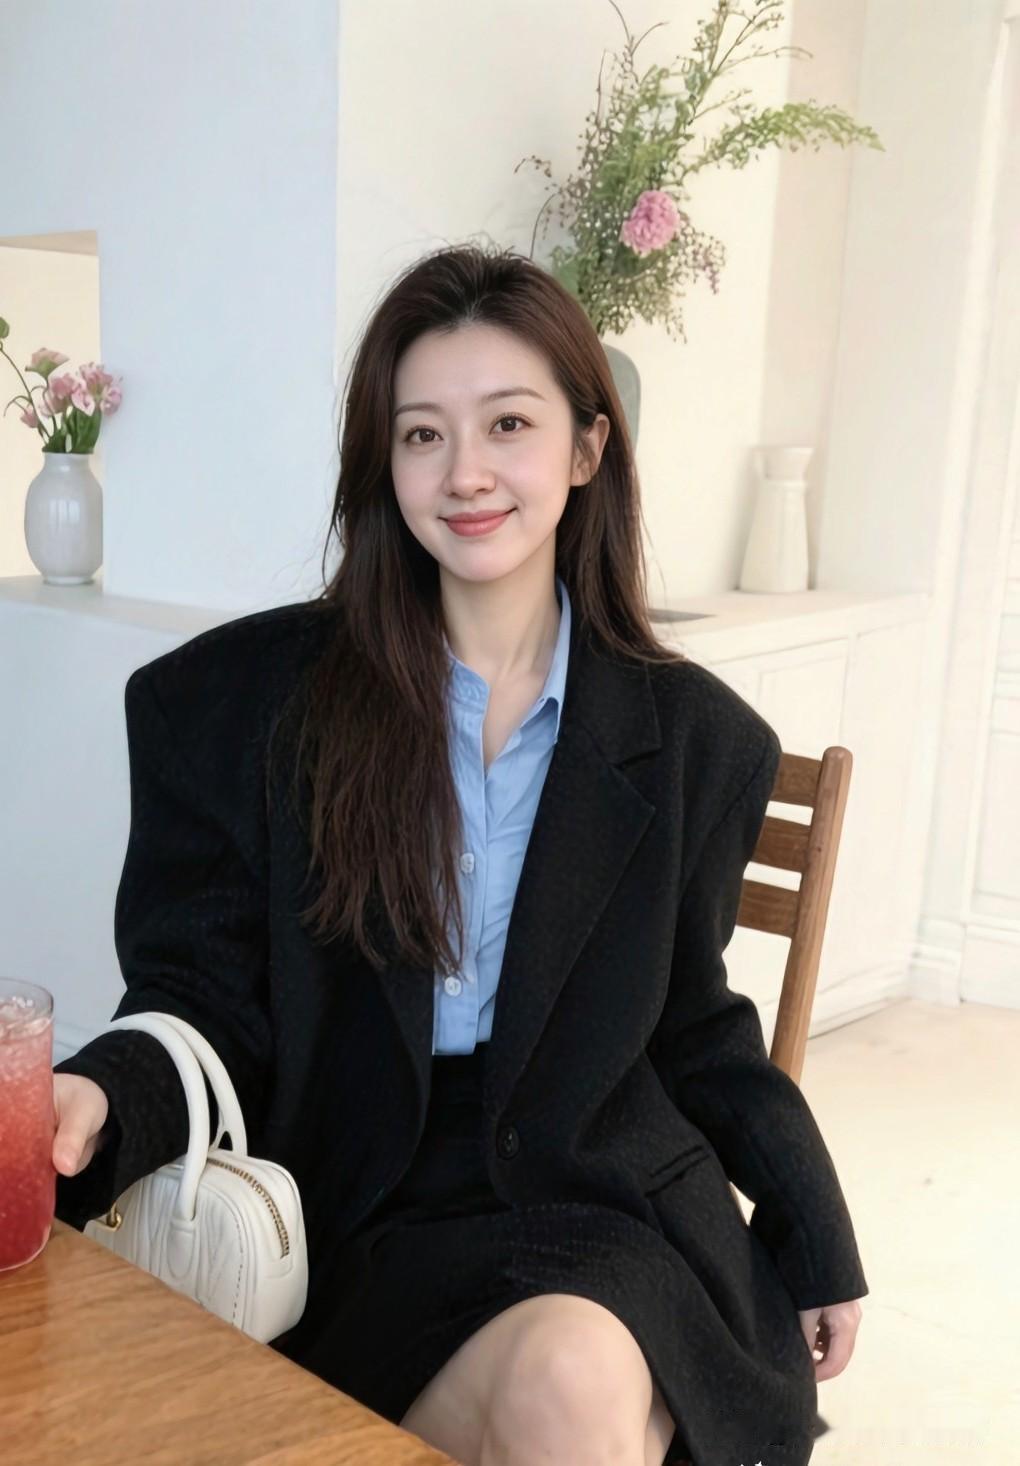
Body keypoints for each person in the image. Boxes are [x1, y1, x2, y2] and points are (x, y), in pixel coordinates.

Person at [51, 243, 867, 1466]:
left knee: (575, 1374)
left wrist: (812, 1226)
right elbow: (201, 993)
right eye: (423, 434)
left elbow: (694, 1020)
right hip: (362, 1200)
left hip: (606, 1191)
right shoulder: (242, 707)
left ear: (587, 449)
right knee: (573, 1396)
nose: (467, 471)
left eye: (509, 424)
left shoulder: (700, 742)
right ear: (384, 463)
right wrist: (103, 1092)